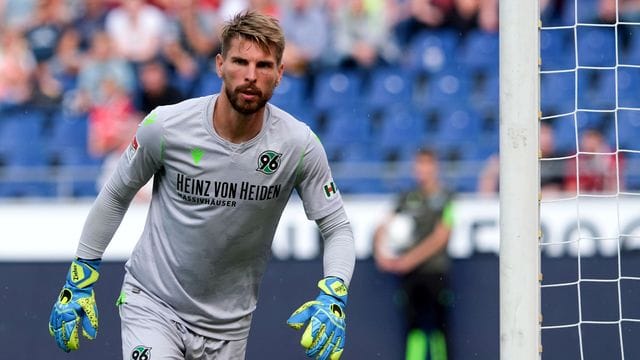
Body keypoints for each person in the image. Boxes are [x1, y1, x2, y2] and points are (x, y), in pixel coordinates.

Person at [48, 11, 355, 360]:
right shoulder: (166, 126)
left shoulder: (298, 145)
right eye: (240, 62)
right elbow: (116, 194)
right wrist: (81, 276)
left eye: (264, 66)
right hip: (153, 305)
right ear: (220, 65)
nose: (251, 76)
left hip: (229, 327)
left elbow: (337, 227)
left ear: (280, 74)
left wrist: (335, 294)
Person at [373, 148, 454, 360]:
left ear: (435, 167)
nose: (422, 170)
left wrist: (408, 260)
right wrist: (381, 254)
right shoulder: (406, 198)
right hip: (410, 277)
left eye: (427, 165)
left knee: (439, 328)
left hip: (435, 272)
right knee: (413, 327)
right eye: (419, 165)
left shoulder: (446, 198)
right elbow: (382, 226)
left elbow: (441, 236)